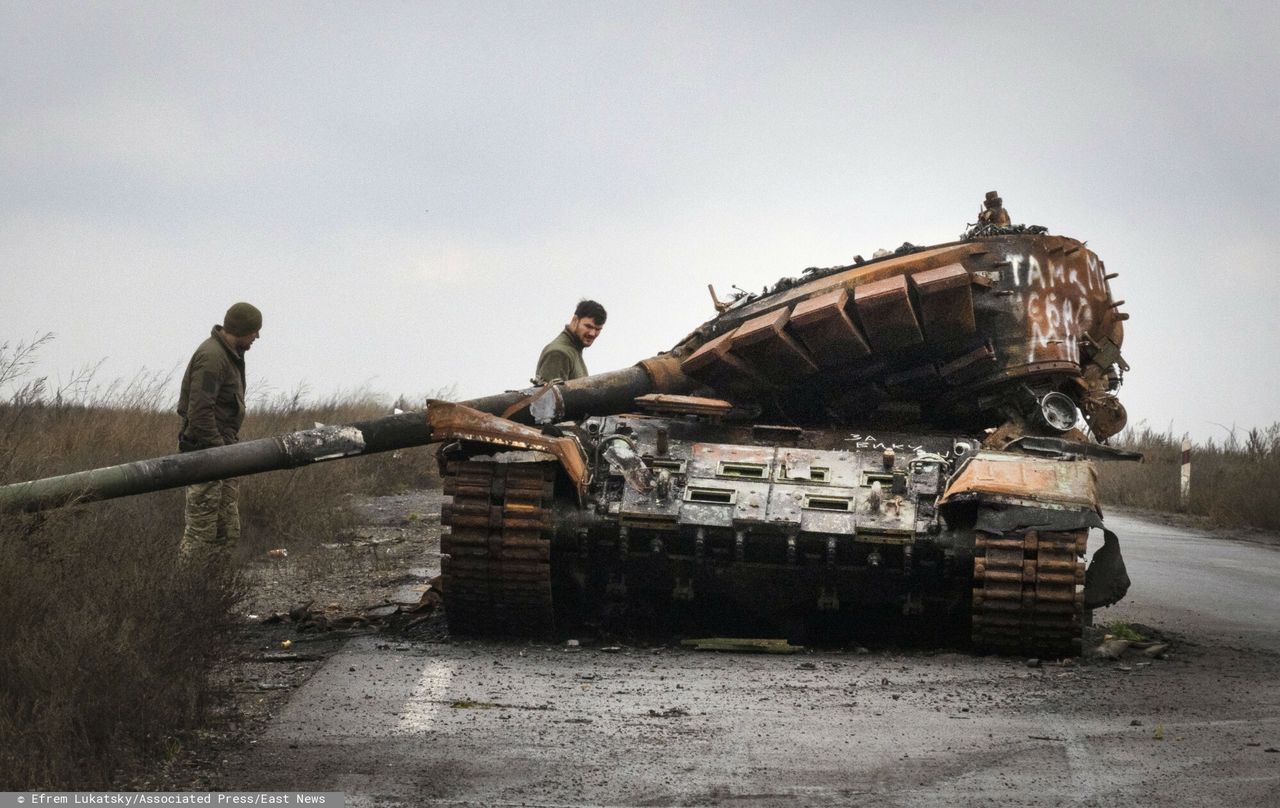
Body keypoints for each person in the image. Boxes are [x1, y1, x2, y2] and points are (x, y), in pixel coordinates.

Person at [176, 302, 262, 564]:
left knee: (226, 533)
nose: (257, 337)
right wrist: (219, 452)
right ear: (242, 329)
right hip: (207, 458)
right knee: (201, 537)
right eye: (254, 331)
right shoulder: (213, 357)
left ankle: (211, 593)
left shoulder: (229, 354)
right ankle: (187, 595)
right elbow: (200, 412)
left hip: (222, 456)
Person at [534, 299, 606, 383]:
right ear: (575, 320)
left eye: (598, 329)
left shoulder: (573, 351)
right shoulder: (559, 353)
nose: (592, 333)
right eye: (588, 326)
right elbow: (548, 395)